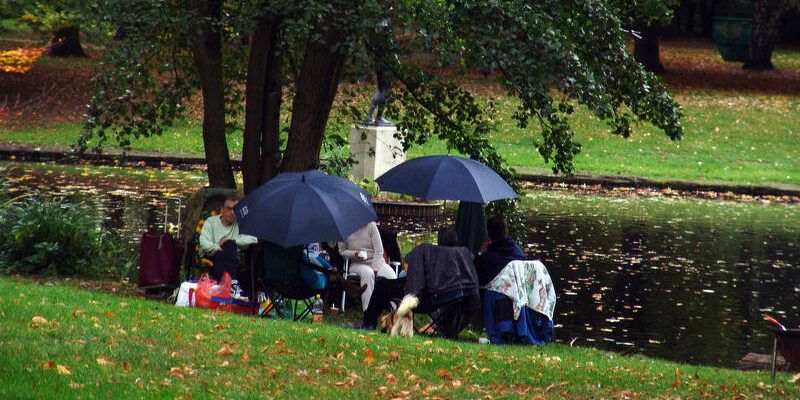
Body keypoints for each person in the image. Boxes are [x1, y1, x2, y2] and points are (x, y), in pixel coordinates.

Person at [199, 195, 258, 299]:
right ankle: (233, 285)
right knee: (227, 247)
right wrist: (219, 246)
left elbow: (254, 239)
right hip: (214, 256)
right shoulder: (211, 222)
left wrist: (233, 241)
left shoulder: (240, 224)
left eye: (235, 209)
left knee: (230, 244)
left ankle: (229, 287)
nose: (232, 212)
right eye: (229, 209)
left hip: (234, 259)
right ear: (222, 209)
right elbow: (204, 243)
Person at [338, 221, 397, 312]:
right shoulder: (343, 227)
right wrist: (355, 254)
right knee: (368, 273)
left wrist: (375, 269)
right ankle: (368, 311)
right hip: (358, 263)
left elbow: (379, 250)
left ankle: (395, 311)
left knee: (391, 275)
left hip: (376, 261)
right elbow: (342, 251)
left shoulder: (370, 225)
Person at [475, 215, 525, 286]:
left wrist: (480, 253)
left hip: (493, 295)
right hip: (517, 294)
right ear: (506, 231)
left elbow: (475, 276)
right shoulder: (518, 252)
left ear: (489, 234)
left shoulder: (486, 259)